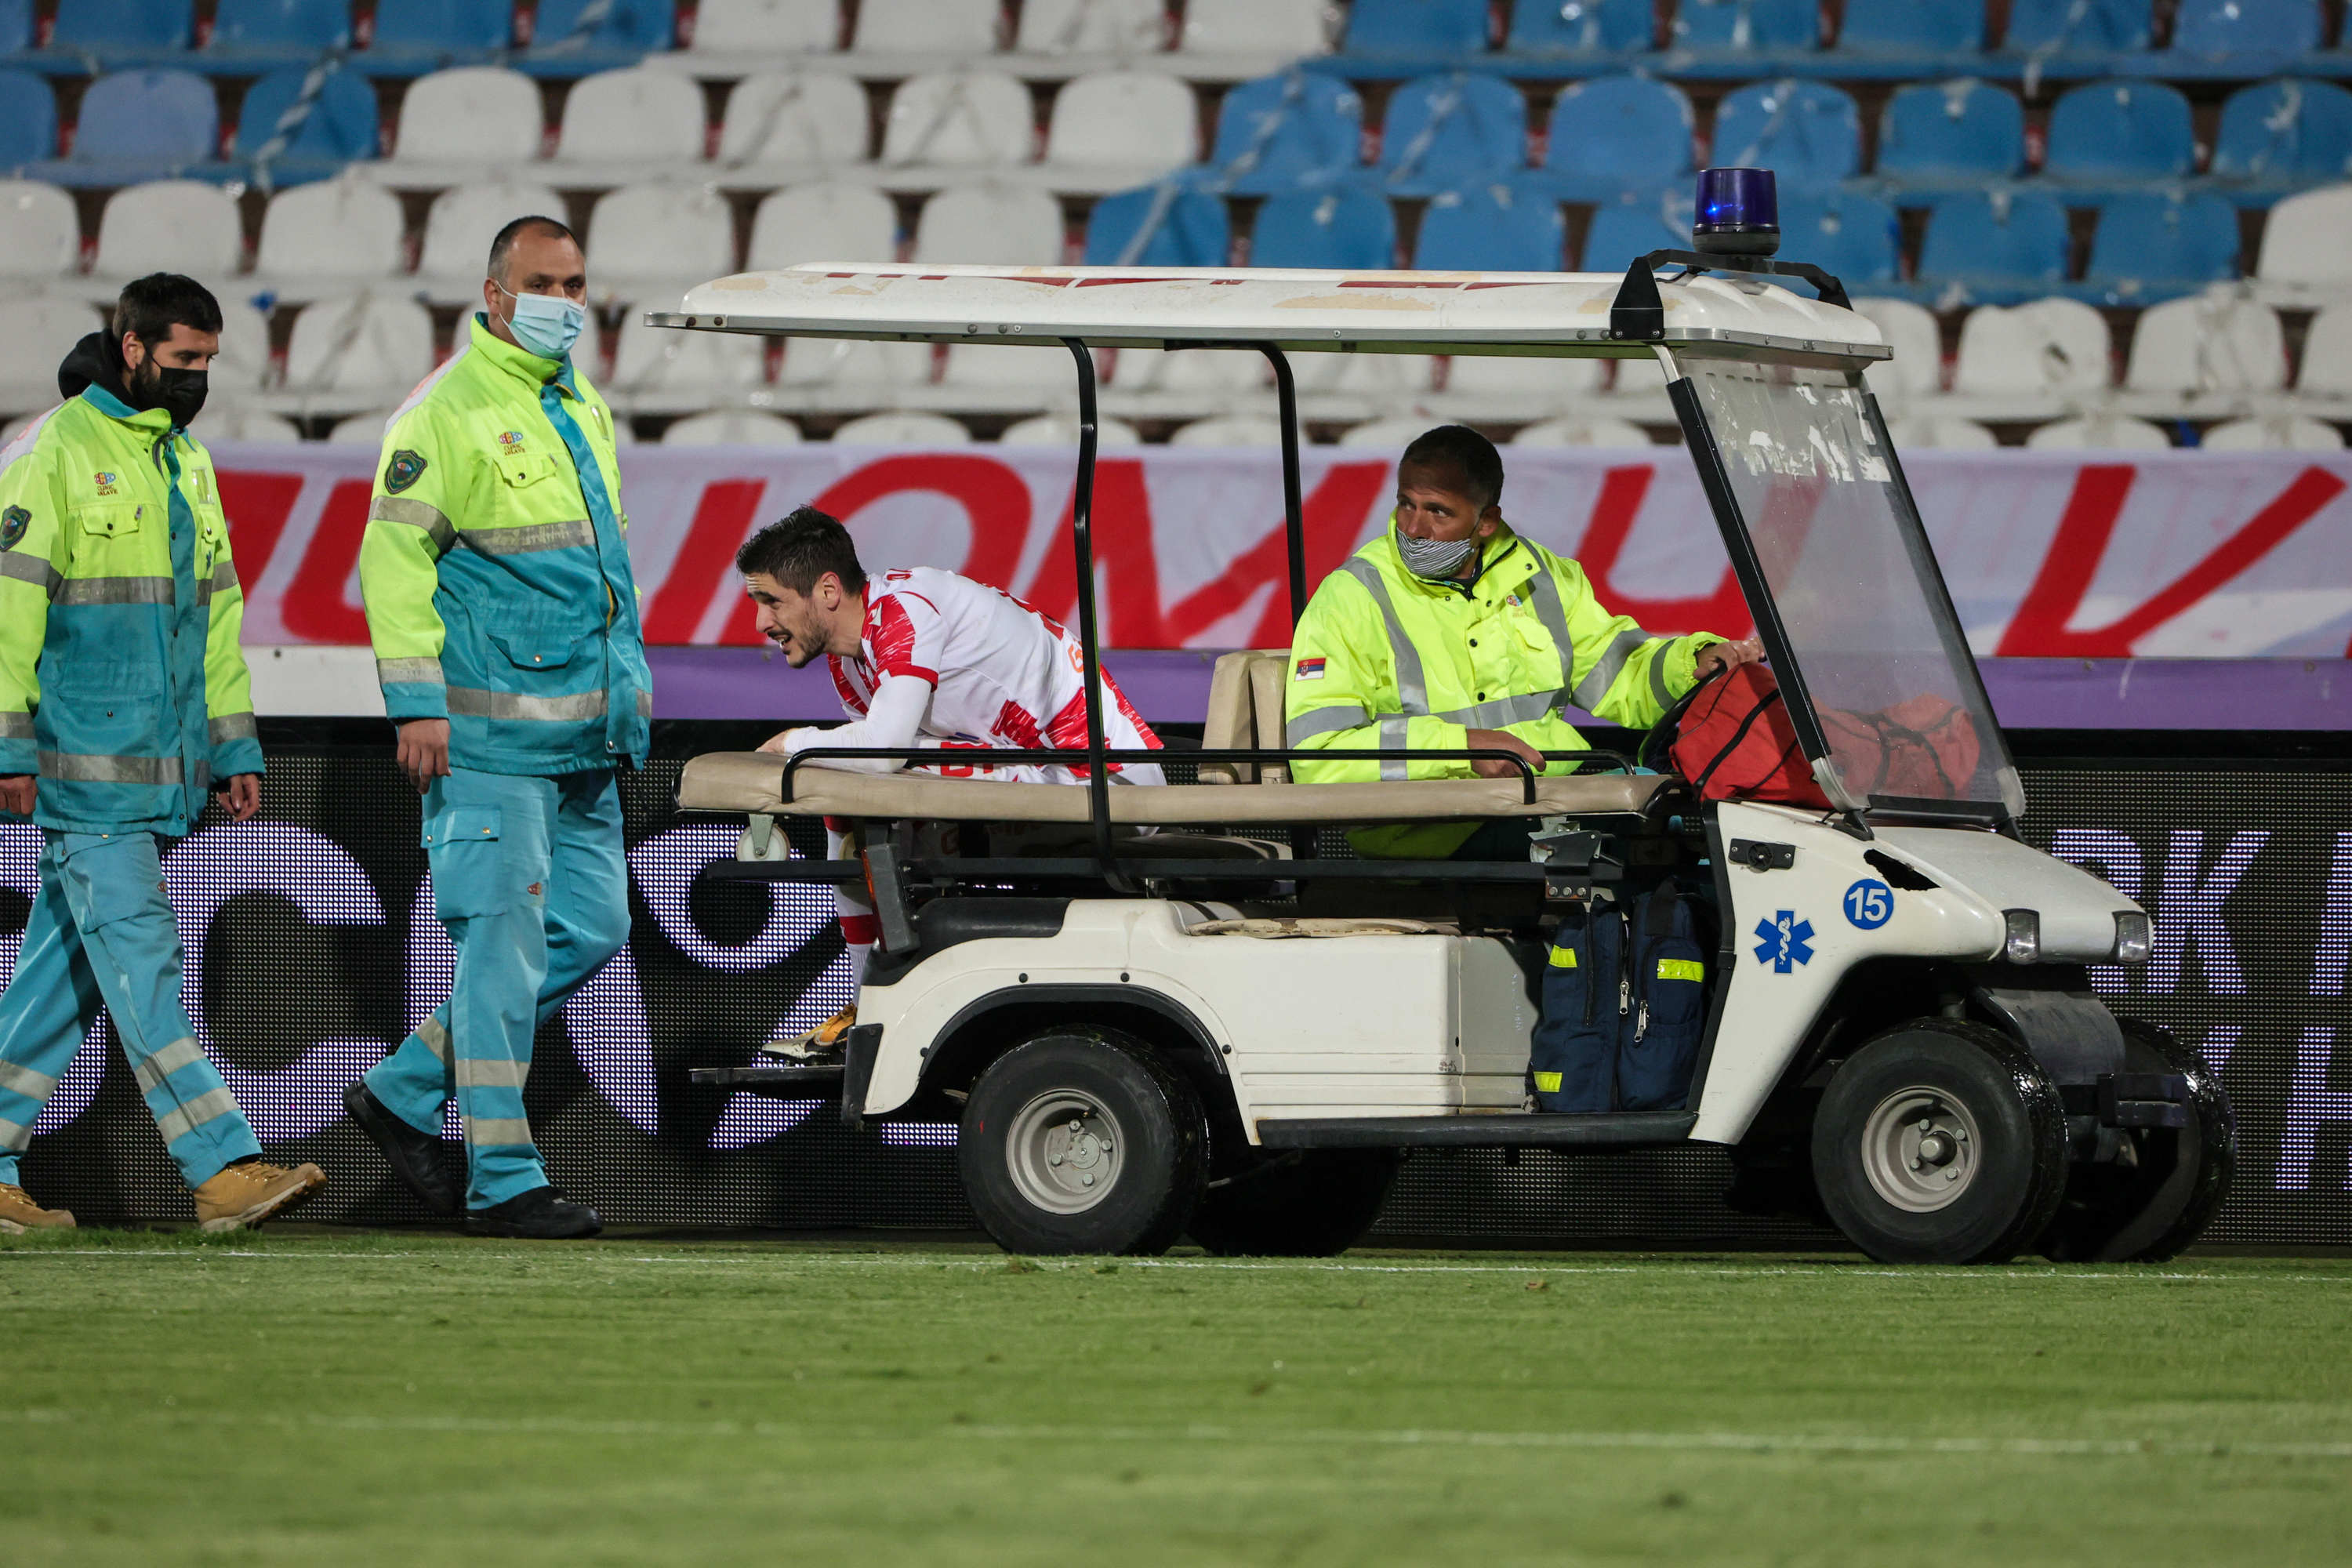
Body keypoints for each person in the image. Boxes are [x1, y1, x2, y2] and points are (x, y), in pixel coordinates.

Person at [0, 273, 328, 1232]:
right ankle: (221, 1164)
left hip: (151, 773)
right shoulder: (52, 454)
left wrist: (232, 749)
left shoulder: (183, 463)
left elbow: (214, 622)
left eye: (208, 364)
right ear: (132, 346)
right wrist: (6, 742)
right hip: (81, 770)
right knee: (146, 963)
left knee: (60, 979)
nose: (197, 380)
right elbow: (8, 614)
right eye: (184, 361)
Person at [345, 216, 650, 1240]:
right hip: (486, 737)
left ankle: (400, 1090)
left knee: (592, 930)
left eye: (574, 281)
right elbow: (392, 563)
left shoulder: (583, 407)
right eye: (542, 282)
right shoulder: (444, 413)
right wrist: (416, 702)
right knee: (501, 959)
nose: (565, 299)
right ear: (493, 295)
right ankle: (504, 1177)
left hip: (583, 740)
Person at [739, 507, 1164, 1058]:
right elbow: (875, 765)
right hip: (1040, 770)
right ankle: (867, 1008)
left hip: (1107, 781)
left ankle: (873, 1010)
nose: (760, 623)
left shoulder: (901, 615)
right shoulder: (849, 660)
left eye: (771, 601)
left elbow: (885, 756)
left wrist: (795, 743)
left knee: (851, 767)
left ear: (826, 591)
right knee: (848, 799)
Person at [1286, 424, 1762, 858]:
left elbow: (1619, 675)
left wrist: (1692, 662)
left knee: (1705, 832)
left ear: (1486, 521)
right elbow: (1319, 756)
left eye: (1438, 512)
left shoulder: (1543, 576)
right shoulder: (1350, 596)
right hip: (1429, 827)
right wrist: (1463, 752)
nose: (1413, 528)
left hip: (1547, 800)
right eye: (1406, 503)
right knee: (1644, 851)